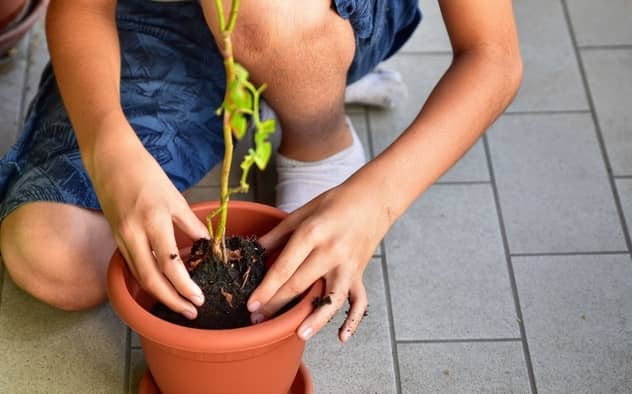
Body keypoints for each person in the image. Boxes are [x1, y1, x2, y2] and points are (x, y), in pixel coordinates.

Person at [0, 0, 522, 343]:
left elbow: (492, 53)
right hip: (164, 16)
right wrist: (107, 145)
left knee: (259, 10)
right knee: (51, 251)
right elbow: (83, 9)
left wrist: (372, 203)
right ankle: (262, 88)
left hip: (301, 14)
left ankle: (318, 131)